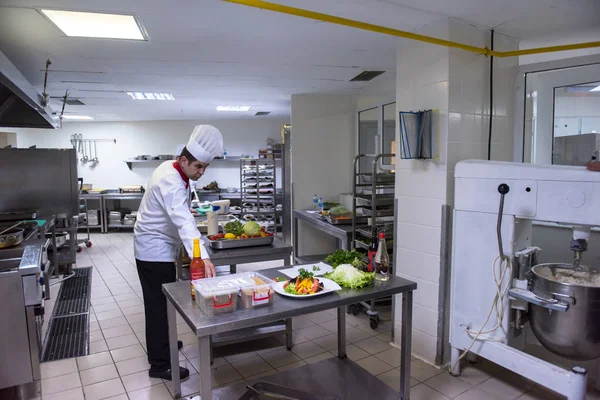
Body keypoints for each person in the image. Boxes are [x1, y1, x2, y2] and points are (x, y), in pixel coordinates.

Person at [134, 125, 223, 380]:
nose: (202, 172)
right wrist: (202, 256)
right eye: (198, 167)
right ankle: (160, 365)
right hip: (153, 250)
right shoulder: (170, 181)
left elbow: (183, 214)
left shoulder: (175, 171)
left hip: (161, 246)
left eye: (205, 167)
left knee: (164, 302)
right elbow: (183, 221)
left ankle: (166, 343)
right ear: (184, 160)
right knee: (157, 306)